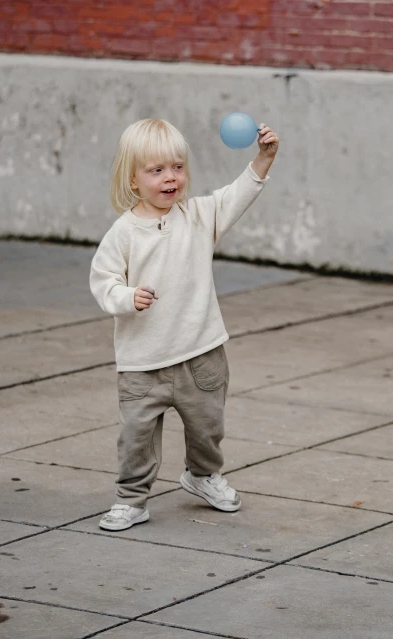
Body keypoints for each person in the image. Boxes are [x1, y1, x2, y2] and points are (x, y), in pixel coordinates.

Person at [90, 117, 279, 531]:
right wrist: (126, 297)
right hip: (143, 362)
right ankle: (131, 499)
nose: (170, 177)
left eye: (177, 167)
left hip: (201, 353)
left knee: (208, 427)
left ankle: (202, 475)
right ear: (133, 180)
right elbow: (103, 282)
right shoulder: (123, 233)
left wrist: (264, 158)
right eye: (156, 170)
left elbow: (237, 195)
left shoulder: (198, 217)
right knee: (136, 437)